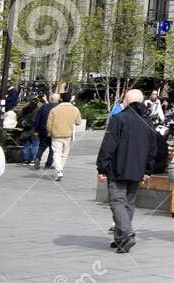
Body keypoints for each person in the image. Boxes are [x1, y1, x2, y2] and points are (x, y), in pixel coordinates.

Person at [95, 89, 156, 253]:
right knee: (129, 202)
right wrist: (148, 170)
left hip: (118, 168)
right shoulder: (147, 121)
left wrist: (102, 166)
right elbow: (153, 148)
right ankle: (121, 238)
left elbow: (109, 144)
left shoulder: (119, 119)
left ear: (126, 101)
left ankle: (126, 234)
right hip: (137, 169)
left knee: (117, 201)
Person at [45, 90, 82, 182]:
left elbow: (49, 124)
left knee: (56, 153)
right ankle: (60, 169)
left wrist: (50, 132)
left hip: (56, 134)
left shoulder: (54, 110)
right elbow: (78, 122)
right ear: (70, 99)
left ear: (61, 99)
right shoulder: (75, 109)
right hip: (68, 134)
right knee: (64, 154)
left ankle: (59, 170)